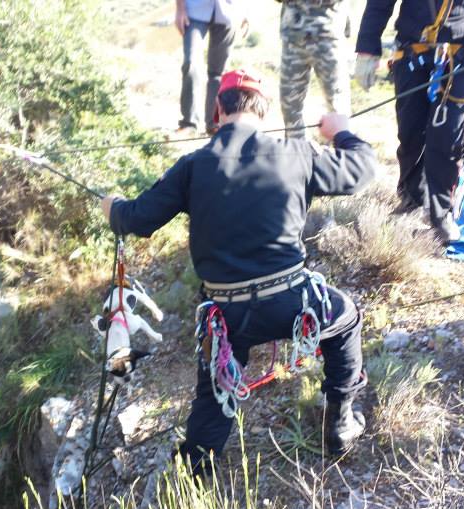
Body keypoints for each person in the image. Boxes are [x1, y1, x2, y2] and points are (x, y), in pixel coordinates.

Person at [100, 69, 377, 470]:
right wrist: (341, 132)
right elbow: (362, 169)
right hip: (292, 302)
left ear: (218, 110)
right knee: (345, 319)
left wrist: (113, 207)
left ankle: (194, 471)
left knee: (214, 390)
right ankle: (340, 423)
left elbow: (136, 219)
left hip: (226, 315)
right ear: (264, 111)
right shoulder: (296, 153)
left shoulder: (192, 166)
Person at [353, 0, 464, 243]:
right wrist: (367, 49)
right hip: (411, 53)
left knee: (446, 138)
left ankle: (440, 213)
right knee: (410, 134)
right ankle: (411, 200)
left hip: (461, 57)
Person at [278, 0, 352, 139]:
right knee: (290, 106)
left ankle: (345, 155)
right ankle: (297, 154)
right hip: (294, 37)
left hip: (327, 35)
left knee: (338, 105)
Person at [175, 0, 248, 135]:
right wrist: (180, 9)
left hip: (229, 12)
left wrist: (244, 14)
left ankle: (214, 124)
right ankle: (189, 123)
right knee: (191, 63)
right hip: (194, 10)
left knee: (218, 73)